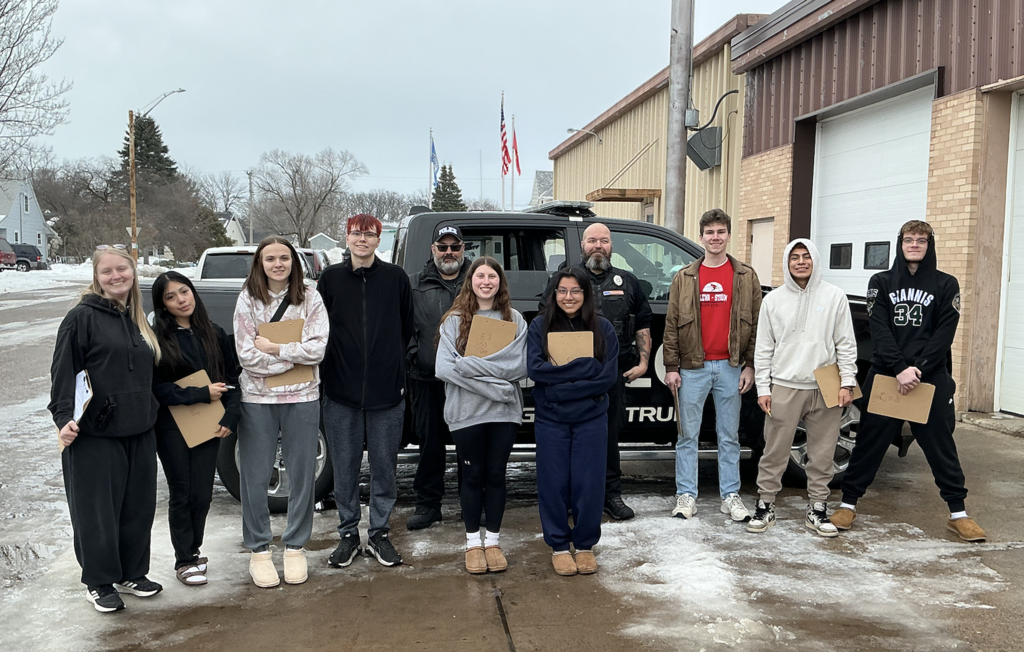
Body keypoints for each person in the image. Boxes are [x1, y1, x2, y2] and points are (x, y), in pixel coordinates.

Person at [831, 221, 986, 542]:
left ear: (930, 245)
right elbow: (880, 329)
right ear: (900, 243)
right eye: (909, 240)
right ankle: (847, 504)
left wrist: (919, 369)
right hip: (888, 375)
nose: (914, 245)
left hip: (929, 379)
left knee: (941, 446)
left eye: (921, 240)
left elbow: (945, 333)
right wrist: (900, 368)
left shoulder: (947, 284)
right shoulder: (881, 282)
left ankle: (959, 514)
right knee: (869, 443)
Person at [49, 245, 164, 613]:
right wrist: (63, 418)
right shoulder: (80, 318)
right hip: (95, 435)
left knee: (137, 509)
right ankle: (98, 581)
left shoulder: (137, 319)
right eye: (107, 271)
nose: (116, 276)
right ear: (96, 277)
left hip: (140, 429)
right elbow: (63, 374)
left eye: (122, 270)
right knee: (97, 512)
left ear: (133, 273)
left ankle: (131, 572)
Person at [318, 214, 414, 568]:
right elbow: (319, 329)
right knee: (344, 468)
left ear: (378, 240)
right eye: (356, 233)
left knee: (383, 467)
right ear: (346, 238)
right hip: (340, 391)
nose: (362, 239)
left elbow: (405, 327)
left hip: (386, 393)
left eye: (369, 234)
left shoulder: (395, 279)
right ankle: (347, 534)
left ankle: (378, 534)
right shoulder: (329, 280)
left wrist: (390, 364)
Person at [540, 222, 652, 521]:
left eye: (604, 240)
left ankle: (610, 494)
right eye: (592, 241)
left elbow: (642, 322)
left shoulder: (627, 281)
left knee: (608, 435)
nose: (598, 246)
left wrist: (642, 362)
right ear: (583, 246)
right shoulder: (565, 280)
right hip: (569, 373)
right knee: (568, 437)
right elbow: (545, 320)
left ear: (611, 245)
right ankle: (569, 497)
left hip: (611, 374)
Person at [234, 236, 328, 588]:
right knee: (255, 475)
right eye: (270, 258)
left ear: (294, 261)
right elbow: (247, 357)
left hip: (303, 396)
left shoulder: (311, 297)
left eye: (284, 258)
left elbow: (317, 349)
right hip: (257, 399)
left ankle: (295, 546)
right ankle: (259, 549)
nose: (278, 264)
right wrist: (292, 356)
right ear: (260, 262)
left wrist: (274, 348)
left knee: (303, 473)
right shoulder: (247, 300)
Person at [747, 240, 857, 537]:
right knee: (774, 451)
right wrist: (763, 388)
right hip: (784, 385)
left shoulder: (834, 297)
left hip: (825, 386)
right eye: (794, 257)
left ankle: (818, 508)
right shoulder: (773, 300)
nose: (800, 262)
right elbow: (763, 348)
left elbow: (845, 343)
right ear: (787, 262)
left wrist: (847, 382)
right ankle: (765, 504)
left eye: (806, 257)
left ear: (815, 260)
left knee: (822, 453)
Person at [663, 208, 762, 521]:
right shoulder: (685, 277)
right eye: (710, 232)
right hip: (693, 367)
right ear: (701, 236)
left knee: (728, 435)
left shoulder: (746, 276)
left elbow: (758, 324)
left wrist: (750, 365)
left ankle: (730, 495)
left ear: (728, 235)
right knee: (687, 436)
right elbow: (672, 324)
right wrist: (671, 366)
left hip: (731, 366)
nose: (715, 238)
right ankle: (686, 496)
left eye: (721, 232)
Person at [434, 256, 528, 574]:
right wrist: (496, 386)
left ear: (500, 282)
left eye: (492, 276)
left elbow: (519, 366)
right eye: (480, 276)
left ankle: (494, 541)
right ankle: (474, 543)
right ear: (470, 281)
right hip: (465, 412)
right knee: (473, 476)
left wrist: (471, 366)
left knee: (496, 475)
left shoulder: (513, 319)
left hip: (504, 412)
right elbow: (444, 367)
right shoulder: (453, 321)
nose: (486, 281)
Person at [151, 271, 242, 584]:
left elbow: (232, 380)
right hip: (172, 426)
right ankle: (184, 560)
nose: (180, 300)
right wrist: (200, 394)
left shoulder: (214, 333)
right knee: (183, 492)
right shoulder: (157, 340)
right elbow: (157, 388)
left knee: (203, 494)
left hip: (209, 423)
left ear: (193, 292)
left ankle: (194, 549)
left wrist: (231, 417)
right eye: (171, 297)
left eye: (184, 292)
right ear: (162, 305)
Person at [527, 268, 619, 577]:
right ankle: (558, 545)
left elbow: (606, 377)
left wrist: (563, 387)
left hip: (591, 418)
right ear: (553, 294)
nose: (569, 297)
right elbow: (537, 370)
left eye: (576, 291)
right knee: (553, 484)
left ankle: (584, 545)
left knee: (588, 483)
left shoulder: (603, 329)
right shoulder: (539, 326)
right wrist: (583, 369)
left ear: (586, 294)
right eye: (563, 291)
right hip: (551, 419)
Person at [407, 224, 471, 530]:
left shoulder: (478, 280)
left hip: (468, 381)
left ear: (463, 249)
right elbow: (404, 327)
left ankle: (471, 503)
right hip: (427, 379)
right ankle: (428, 505)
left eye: (454, 247)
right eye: (442, 247)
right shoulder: (414, 285)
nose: (449, 252)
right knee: (429, 446)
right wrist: (413, 357)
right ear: (433, 249)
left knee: (468, 445)